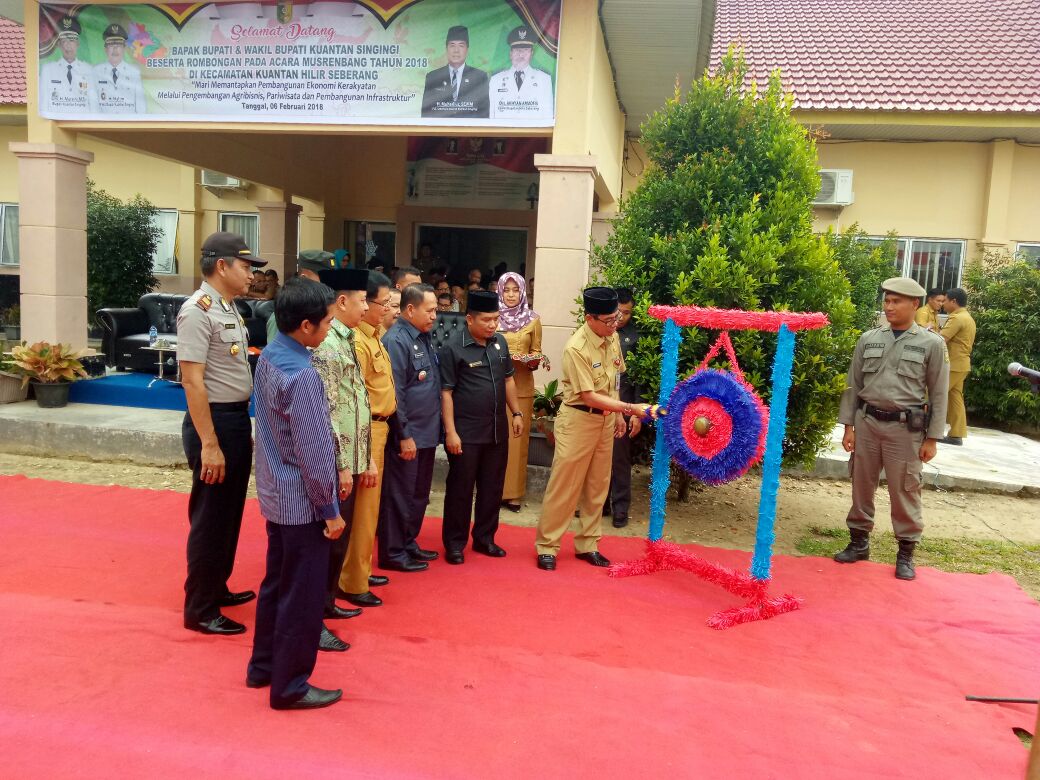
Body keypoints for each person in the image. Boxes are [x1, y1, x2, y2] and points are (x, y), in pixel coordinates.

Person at [247, 278, 344, 710]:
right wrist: (330, 509)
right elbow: (314, 451)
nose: (328, 330)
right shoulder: (301, 373)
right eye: (325, 323)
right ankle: (290, 685)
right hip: (303, 502)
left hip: (275, 492)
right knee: (301, 597)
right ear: (305, 326)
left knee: (275, 585)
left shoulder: (271, 355)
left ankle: (264, 666)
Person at [177, 232, 266, 635]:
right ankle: (200, 608)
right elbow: (193, 382)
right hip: (210, 422)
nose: (251, 275)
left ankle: (217, 586)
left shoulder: (228, 307)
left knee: (229, 513)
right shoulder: (197, 310)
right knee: (211, 517)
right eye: (246, 267)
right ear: (222, 265)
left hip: (231, 419)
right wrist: (210, 443)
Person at [534, 287, 660, 571]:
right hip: (579, 419)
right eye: (609, 320)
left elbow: (614, 379)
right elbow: (588, 395)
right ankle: (547, 546)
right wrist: (629, 409)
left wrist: (616, 413)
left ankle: (588, 543)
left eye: (617, 318)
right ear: (590, 318)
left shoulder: (612, 336)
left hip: (605, 420)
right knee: (564, 487)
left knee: (598, 485)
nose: (615, 324)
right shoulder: (576, 348)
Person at [835, 277, 950, 581]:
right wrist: (848, 425)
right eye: (886, 300)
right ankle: (858, 543)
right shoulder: (869, 339)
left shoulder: (932, 344)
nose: (889, 307)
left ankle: (906, 553)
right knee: (861, 485)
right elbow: (853, 385)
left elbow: (939, 393)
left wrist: (933, 437)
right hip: (868, 423)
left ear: (915, 304)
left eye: (896, 301)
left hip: (905, 429)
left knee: (905, 491)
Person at [439, 291, 524, 563]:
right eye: (486, 320)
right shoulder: (453, 347)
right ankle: (454, 543)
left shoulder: (499, 343)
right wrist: (450, 431)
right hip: (466, 433)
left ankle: (485, 538)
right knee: (461, 490)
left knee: (492, 488)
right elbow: (446, 393)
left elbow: (509, 380)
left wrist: (517, 412)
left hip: (496, 430)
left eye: (496, 319)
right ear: (469, 319)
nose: (492, 325)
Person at [311, 267, 371, 651]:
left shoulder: (346, 336)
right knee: (326, 542)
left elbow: (357, 399)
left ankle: (328, 603)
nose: (367, 307)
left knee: (339, 540)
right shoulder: (328, 344)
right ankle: (314, 616)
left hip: (351, 455)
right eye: (363, 299)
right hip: (335, 462)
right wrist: (343, 464)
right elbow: (330, 409)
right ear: (343, 301)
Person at [337, 272, 396, 608]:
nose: (388, 309)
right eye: (381, 303)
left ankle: (360, 568)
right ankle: (353, 580)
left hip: (380, 428)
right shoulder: (356, 341)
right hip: (366, 430)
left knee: (369, 511)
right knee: (362, 510)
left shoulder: (374, 335)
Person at [378, 284, 442, 571]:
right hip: (409, 434)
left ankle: (408, 541)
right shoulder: (397, 340)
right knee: (400, 495)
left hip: (427, 432)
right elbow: (396, 393)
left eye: (436, 311)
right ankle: (393, 551)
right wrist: (404, 435)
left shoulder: (423, 336)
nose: (434, 316)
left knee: (418, 494)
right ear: (410, 309)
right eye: (429, 311)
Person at [497, 272, 542, 512]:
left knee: (517, 443)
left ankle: (513, 494)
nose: (511, 295)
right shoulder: (491, 318)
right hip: (493, 388)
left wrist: (532, 360)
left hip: (522, 388)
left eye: (516, 290)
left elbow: (536, 352)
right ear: (500, 291)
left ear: (523, 292)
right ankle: (491, 490)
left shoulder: (533, 320)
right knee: (492, 440)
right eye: (507, 290)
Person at [606, 288, 642, 528]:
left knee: (620, 460)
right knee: (597, 459)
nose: (621, 317)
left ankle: (620, 509)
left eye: (627, 313)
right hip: (599, 405)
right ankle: (598, 506)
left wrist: (637, 413)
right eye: (618, 312)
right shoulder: (601, 332)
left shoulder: (635, 337)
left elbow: (639, 378)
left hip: (625, 406)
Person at [265, 250, 335, 344]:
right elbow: (277, 354)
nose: (329, 285)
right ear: (304, 278)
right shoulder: (287, 313)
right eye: (324, 279)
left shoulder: (324, 310)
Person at [421, 26, 489, 118]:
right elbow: (426, 113)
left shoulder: (480, 77)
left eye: (461, 45)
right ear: (446, 49)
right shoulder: (433, 77)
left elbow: (484, 114)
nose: (456, 50)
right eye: (452, 45)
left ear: (467, 50)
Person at [489, 26, 554, 121]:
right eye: (517, 50)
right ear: (510, 53)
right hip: (503, 133)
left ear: (532, 53)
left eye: (525, 50)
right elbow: (492, 114)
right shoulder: (496, 79)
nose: (521, 54)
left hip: (534, 134)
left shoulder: (544, 79)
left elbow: (548, 115)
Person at [939, 287, 976, 446]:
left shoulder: (957, 318)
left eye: (945, 300)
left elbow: (941, 339)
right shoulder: (967, 317)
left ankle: (924, 428)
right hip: (961, 364)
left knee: (931, 394)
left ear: (954, 301)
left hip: (953, 364)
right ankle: (956, 434)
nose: (943, 304)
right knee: (955, 398)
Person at [40, 16, 98, 115]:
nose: (68, 45)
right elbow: (43, 103)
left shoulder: (88, 70)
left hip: (82, 123)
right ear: (59, 44)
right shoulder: (48, 70)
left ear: (78, 44)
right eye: (64, 41)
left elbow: (94, 104)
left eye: (71, 40)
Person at [93, 24, 146, 113]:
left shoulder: (134, 72)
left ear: (124, 48)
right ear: (105, 49)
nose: (115, 49)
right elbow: (94, 105)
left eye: (118, 45)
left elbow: (141, 107)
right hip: (104, 125)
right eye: (111, 45)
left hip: (128, 125)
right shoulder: (96, 71)